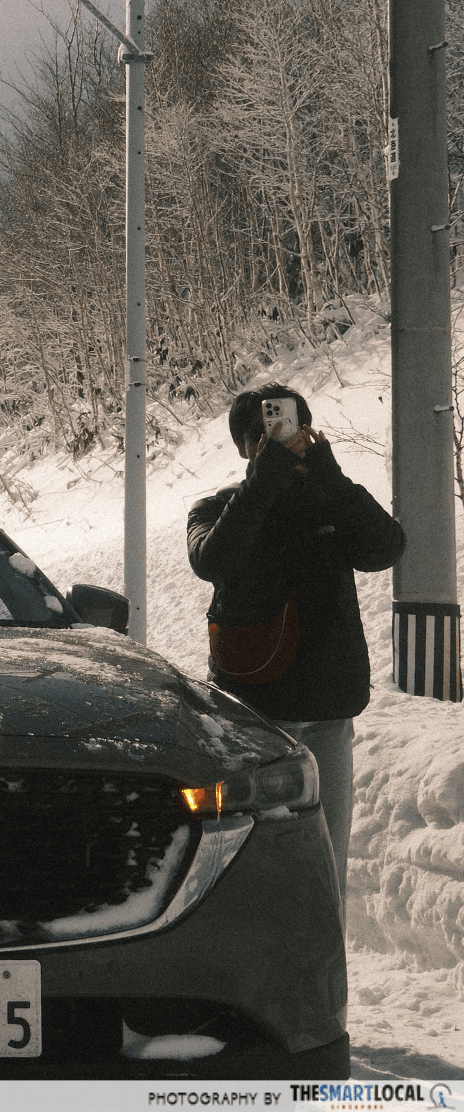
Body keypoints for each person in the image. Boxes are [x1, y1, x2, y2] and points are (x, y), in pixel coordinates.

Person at [186, 383, 404, 904]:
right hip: (253, 713)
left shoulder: (328, 498)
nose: (281, 438)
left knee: (326, 865)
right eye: (263, 433)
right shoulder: (218, 507)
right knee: (255, 862)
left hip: (328, 707)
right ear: (244, 446)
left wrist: (328, 473)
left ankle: (323, 959)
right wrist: (265, 480)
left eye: (291, 427)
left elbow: (386, 547)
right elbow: (212, 560)